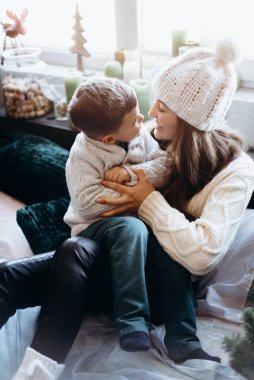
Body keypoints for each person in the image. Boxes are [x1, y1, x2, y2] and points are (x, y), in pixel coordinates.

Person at [0, 40, 253, 380]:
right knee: (12, 275)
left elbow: (202, 255)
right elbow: (101, 191)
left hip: (162, 287)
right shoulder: (150, 137)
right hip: (111, 257)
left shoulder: (236, 172)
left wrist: (146, 201)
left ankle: (38, 373)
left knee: (74, 251)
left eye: (160, 108)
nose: (149, 115)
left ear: (189, 119)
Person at [64, 78, 171, 352]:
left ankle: (176, 301)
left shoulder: (138, 135)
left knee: (159, 224)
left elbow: (165, 165)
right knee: (131, 228)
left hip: (132, 219)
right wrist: (137, 195)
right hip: (93, 227)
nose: (142, 119)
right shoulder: (83, 156)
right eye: (134, 119)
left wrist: (130, 174)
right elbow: (88, 203)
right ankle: (132, 321)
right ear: (109, 139)